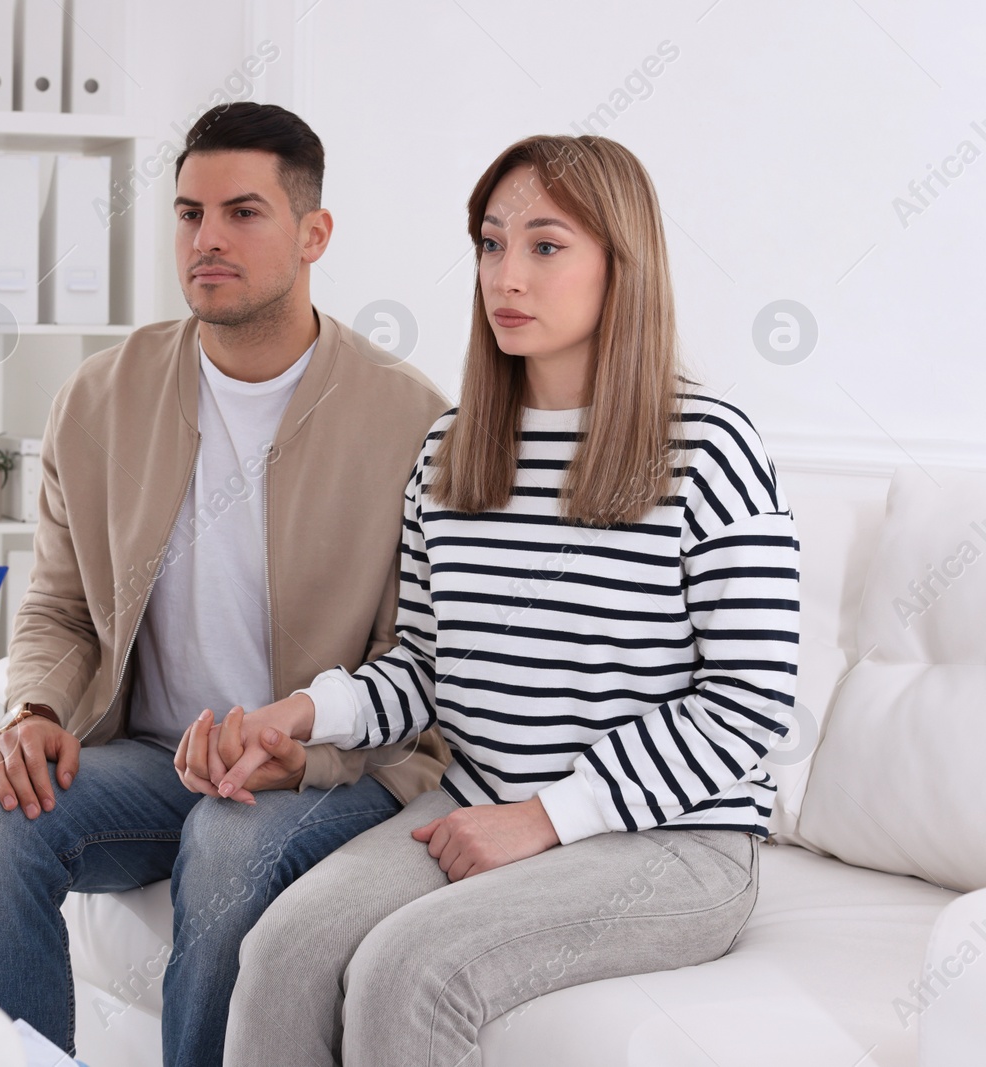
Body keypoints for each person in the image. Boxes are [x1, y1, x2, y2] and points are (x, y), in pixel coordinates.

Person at [190, 135, 800, 1066]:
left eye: (545, 246)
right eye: (490, 243)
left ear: (620, 265)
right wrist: (308, 712)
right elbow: (427, 669)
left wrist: (546, 817)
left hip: (674, 842)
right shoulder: (453, 448)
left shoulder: (709, 447)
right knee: (279, 946)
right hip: (479, 802)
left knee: (410, 968)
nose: (507, 274)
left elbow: (751, 699)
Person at [0, 101, 450, 1066]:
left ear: (315, 233)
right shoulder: (98, 399)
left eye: (243, 213)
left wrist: (295, 752)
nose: (207, 239)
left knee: (229, 842)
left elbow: (418, 667)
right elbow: (58, 605)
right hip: (153, 754)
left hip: (329, 770)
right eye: (188, 214)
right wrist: (38, 706)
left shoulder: (413, 418)